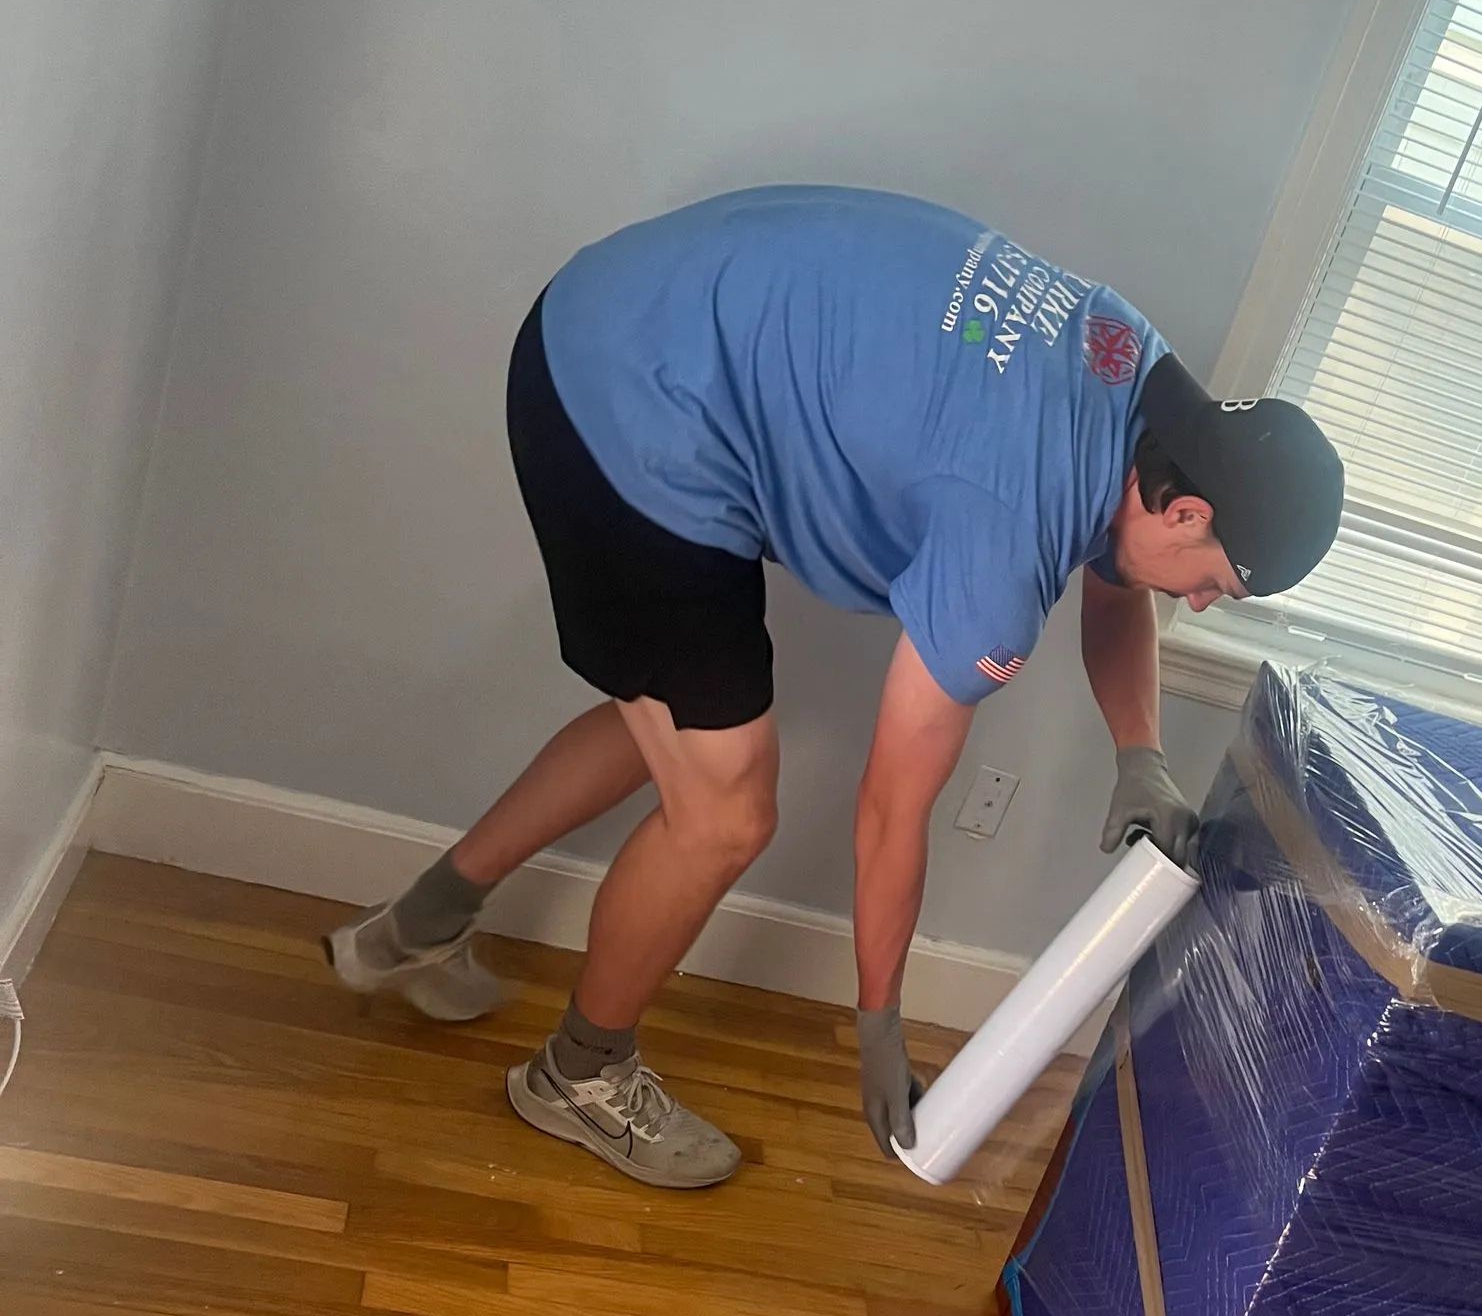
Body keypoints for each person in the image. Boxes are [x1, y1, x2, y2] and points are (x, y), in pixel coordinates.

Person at [326, 186, 1343, 1188]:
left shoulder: (1135, 371)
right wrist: (878, 1020)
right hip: (633, 403)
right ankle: (579, 1075)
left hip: (622, 310)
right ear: (1187, 510)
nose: (1202, 606)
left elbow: (1119, 570)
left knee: (674, 725)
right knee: (726, 810)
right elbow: (892, 809)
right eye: (1217, 584)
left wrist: (1141, 752)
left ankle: (414, 926)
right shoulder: (1002, 550)